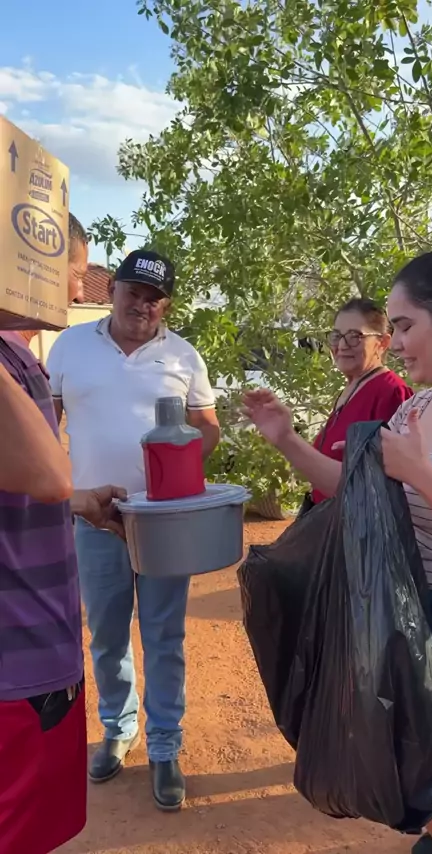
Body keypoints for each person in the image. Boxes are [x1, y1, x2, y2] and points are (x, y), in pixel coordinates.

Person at [244, 248, 432, 854]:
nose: (394, 344)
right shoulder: (417, 408)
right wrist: (285, 439)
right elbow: (354, 485)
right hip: (413, 622)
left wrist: (421, 472)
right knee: (430, 788)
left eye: (404, 326)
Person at [47, 248, 220, 810]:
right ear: (113, 290)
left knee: (165, 636)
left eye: (154, 298)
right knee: (107, 636)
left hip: (163, 526)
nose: (142, 305)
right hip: (94, 520)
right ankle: (118, 730)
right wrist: (62, 489)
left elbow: (207, 428)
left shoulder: (184, 355)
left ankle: (165, 745)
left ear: (165, 305)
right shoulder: (70, 346)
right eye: (133, 293)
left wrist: (175, 474)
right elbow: (46, 422)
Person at [0, 212, 126, 854]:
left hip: (39, 646)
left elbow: (34, 483)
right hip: (14, 659)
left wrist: (77, 503)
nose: (79, 290)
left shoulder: (17, 355)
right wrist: (65, 491)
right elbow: (50, 474)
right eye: (73, 273)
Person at [305, 297, 412, 508]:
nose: (342, 345)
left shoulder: (391, 392)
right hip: (326, 517)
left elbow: (389, 480)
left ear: (383, 343)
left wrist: (286, 438)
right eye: (337, 336)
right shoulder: (351, 388)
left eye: (355, 336)